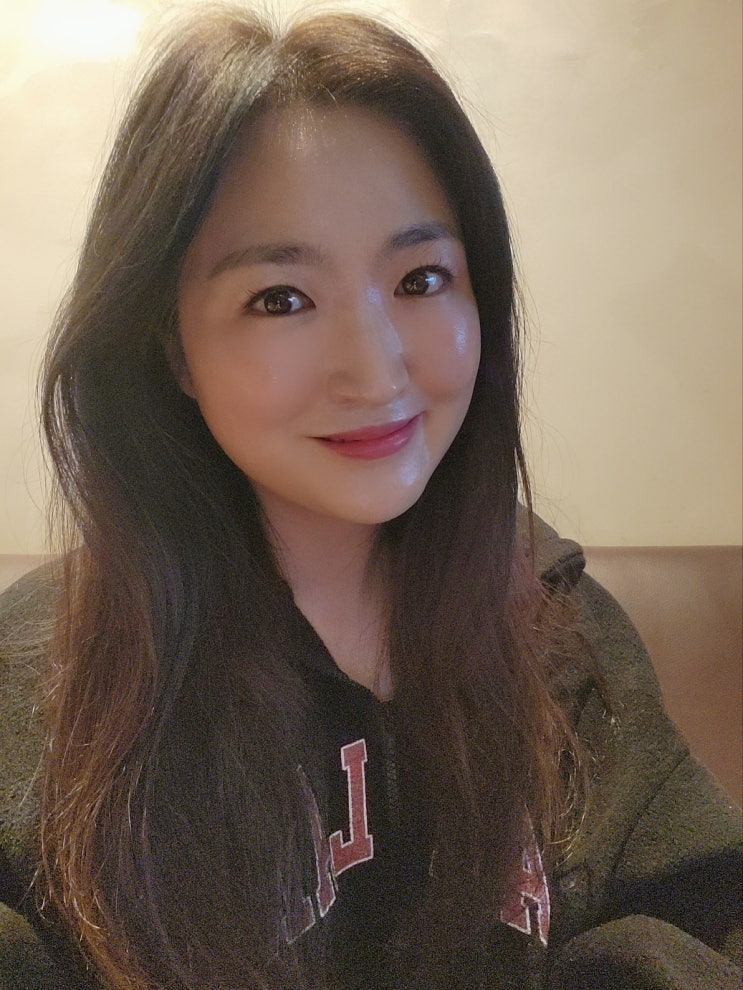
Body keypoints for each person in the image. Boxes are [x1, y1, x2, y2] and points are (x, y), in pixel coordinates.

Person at [0, 6, 740, 989]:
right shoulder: (45, 677)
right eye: (280, 298)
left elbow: (705, 910)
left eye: (420, 279)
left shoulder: (553, 625)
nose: (376, 367)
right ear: (172, 347)